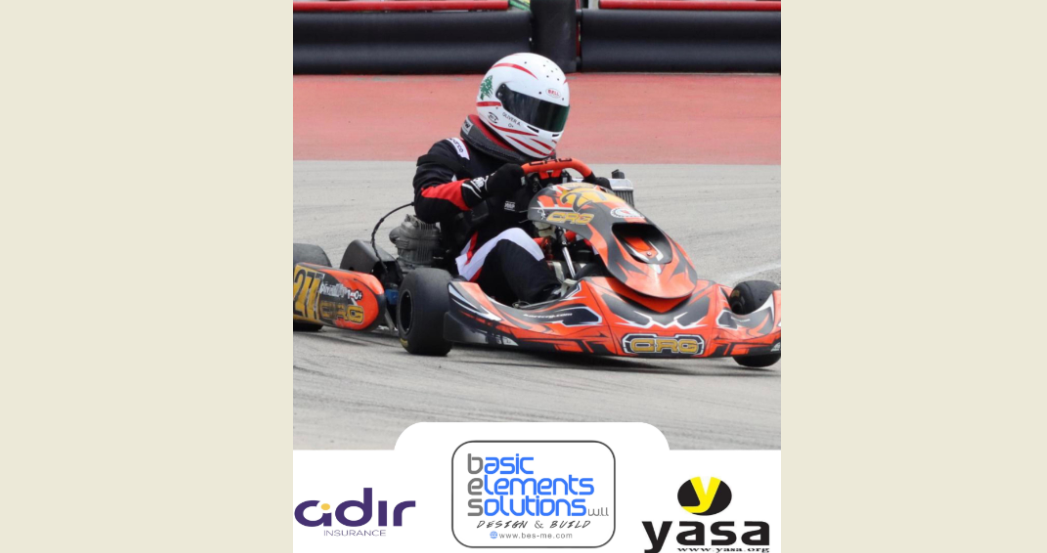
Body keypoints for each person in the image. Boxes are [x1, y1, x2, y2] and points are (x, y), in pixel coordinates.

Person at [411, 53, 608, 306]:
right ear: (498, 100)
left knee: (598, 235)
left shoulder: (550, 168)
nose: (542, 123)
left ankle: (629, 293)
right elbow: (426, 201)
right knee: (513, 237)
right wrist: (487, 185)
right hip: (470, 272)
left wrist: (597, 199)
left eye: (550, 115)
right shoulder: (457, 151)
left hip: (537, 260)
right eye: (534, 111)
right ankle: (554, 305)